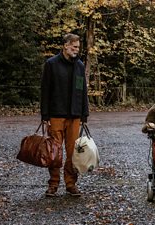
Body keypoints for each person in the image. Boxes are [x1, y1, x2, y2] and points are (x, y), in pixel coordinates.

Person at [40, 33, 89, 197]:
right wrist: (45, 115)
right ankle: (53, 184)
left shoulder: (80, 66)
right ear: (65, 46)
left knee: (72, 153)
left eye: (78, 47)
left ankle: (70, 184)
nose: (76, 50)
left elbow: (83, 91)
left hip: (74, 116)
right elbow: (45, 91)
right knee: (54, 152)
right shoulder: (51, 64)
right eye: (74, 47)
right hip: (56, 114)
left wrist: (84, 114)